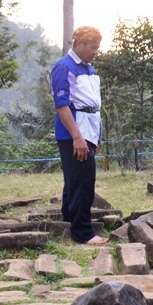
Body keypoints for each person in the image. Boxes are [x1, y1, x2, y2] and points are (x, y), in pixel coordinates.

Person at [50, 26, 108, 245]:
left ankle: (70, 220)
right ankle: (83, 232)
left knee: (75, 178)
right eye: (93, 47)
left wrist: (96, 136)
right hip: (74, 132)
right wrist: (77, 137)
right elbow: (62, 105)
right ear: (80, 44)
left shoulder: (89, 69)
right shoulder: (64, 67)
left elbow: (93, 104)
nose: (95, 52)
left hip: (89, 129)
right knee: (83, 180)